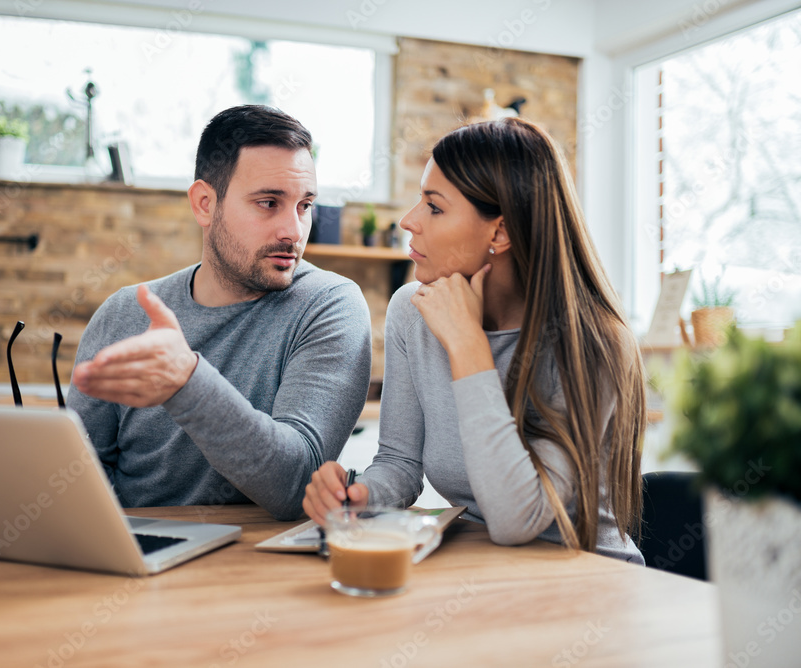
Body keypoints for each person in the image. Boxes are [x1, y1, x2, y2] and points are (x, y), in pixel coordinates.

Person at [303, 117, 646, 563]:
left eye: (434, 206)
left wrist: (468, 346)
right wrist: (359, 494)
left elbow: (518, 520)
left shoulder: (595, 343)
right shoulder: (413, 311)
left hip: (589, 580)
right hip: (484, 569)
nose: (409, 221)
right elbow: (400, 465)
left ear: (499, 233)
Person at [68, 105, 372, 521]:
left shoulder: (329, 306)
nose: (294, 231)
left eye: (304, 206)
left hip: (254, 567)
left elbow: (296, 482)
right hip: (134, 552)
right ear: (205, 204)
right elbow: (80, 473)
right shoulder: (125, 313)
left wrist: (186, 379)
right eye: (269, 203)